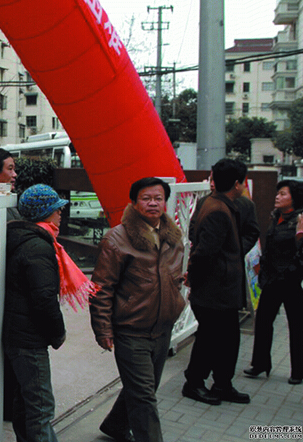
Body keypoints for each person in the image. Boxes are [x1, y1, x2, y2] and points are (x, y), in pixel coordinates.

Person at [89, 177, 186, 442]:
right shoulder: (116, 239)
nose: (153, 203)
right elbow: (101, 288)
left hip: (162, 327)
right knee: (144, 397)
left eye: (158, 198)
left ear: (165, 202)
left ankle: (115, 425)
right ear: (134, 202)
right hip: (131, 330)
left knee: (145, 387)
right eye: (146, 198)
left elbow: (172, 274)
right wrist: (103, 329)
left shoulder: (173, 237)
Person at [182, 158, 251, 405]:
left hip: (221, 289)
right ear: (237, 184)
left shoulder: (214, 203)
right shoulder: (218, 210)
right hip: (215, 290)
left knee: (227, 339)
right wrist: (194, 280)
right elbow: (204, 253)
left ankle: (222, 384)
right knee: (210, 339)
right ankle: (194, 383)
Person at [3, 184, 69, 442]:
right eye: (56, 209)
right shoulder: (38, 247)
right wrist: (58, 333)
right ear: (45, 213)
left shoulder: (19, 237)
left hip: (17, 334)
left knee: (25, 401)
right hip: (29, 339)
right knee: (41, 406)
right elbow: (44, 299)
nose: (61, 213)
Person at [243, 180, 303, 384]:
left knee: (296, 326)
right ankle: (260, 364)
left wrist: (292, 272)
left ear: (294, 198)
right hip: (272, 279)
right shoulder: (276, 216)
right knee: (263, 321)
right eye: (277, 193)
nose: (277, 197)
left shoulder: (302, 218)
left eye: (283, 194)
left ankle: (298, 371)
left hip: (291, 281)